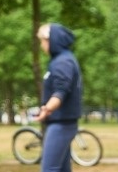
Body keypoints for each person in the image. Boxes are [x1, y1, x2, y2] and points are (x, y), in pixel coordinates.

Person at [36, 23, 83, 172]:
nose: (42, 45)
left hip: (61, 123)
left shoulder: (62, 62)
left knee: (49, 169)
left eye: (42, 41)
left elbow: (61, 91)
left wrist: (48, 108)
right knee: (62, 169)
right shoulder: (62, 59)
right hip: (63, 121)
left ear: (52, 40)